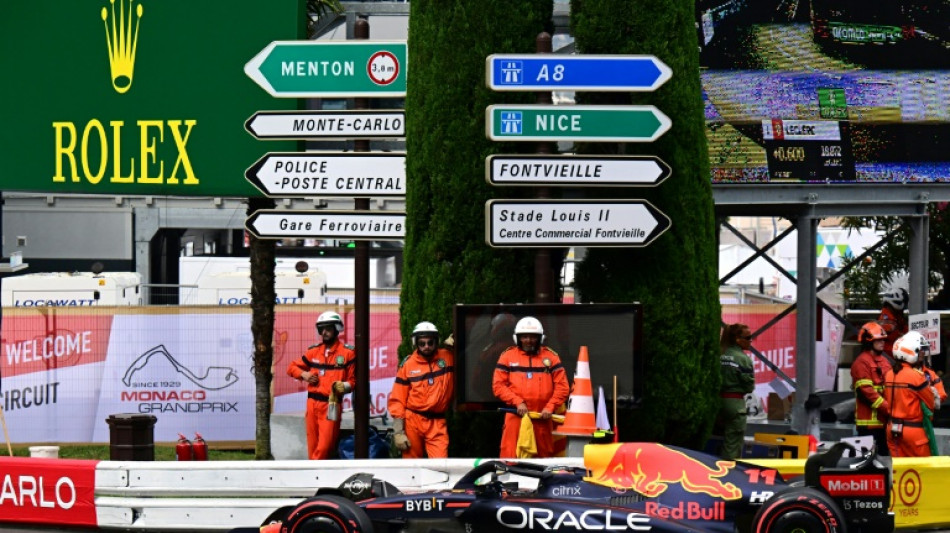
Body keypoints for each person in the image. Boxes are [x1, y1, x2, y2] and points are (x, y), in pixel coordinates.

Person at [492, 316, 569, 458]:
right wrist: (518, 402)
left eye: (533, 337)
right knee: (511, 458)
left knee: (543, 461)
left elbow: (563, 387)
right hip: (516, 419)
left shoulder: (551, 357)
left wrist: (550, 407)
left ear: (540, 338)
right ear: (518, 338)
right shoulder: (507, 357)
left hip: (542, 419)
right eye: (525, 337)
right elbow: (498, 386)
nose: (528, 340)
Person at [286, 311, 356, 460]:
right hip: (311, 404)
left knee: (325, 446)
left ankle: (314, 469)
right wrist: (303, 375)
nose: (324, 332)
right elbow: (291, 367)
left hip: (331, 404)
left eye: (328, 328)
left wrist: (343, 387)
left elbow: (353, 381)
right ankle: (314, 476)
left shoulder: (348, 353)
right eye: (321, 329)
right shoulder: (313, 351)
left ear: (337, 329)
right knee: (313, 445)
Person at [388, 321, 455, 458]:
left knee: (440, 464)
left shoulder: (447, 357)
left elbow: (469, 348)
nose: (426, 347)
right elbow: (397, 399)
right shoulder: (408, 365)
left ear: (436, 342)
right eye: (422, 343)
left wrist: (457, 343)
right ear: (416, 343)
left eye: (430, 343)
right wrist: (398, 432)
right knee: (412, 466)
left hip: (437, 422)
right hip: (413, 420)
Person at [884, 331, 937, 457]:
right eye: (920, 351)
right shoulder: (916, 377)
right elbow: (931, 404)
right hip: (913, 431)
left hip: (892, 428)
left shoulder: (889, 374)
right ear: (911, 352)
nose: (922, 354)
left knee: (899, 471)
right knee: (921, 471)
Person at [850, 321, 892, 455]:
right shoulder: (861, 362)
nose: (882, 343)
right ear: (869, 342)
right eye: (878, 340)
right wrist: (888, 408)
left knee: (885, 461)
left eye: (883, 340)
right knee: (864, 463)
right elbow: (866, 391)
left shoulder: (885, 362)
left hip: (884, 423)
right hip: (867, 424)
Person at [718, 323, 756, 460]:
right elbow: (749, 387)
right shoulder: (743, 359)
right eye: (748, 337)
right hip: (735, 405)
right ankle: (729, 475)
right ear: (737, 339)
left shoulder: (719, 354)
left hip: (717, 403)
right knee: (732, 444)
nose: (751, 340)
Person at [878, 280, 909, 356]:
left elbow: (905, 329)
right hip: (889, 353)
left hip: (893, 351)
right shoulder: (887, 319)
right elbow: (897, 337)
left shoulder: (895, 315)